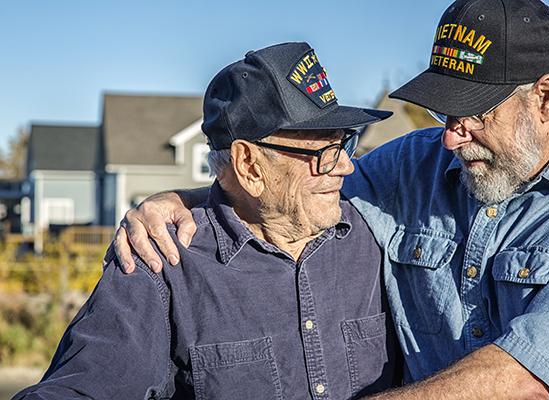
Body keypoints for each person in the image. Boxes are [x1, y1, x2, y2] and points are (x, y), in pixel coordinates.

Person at [116, 0, 549, 399]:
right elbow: (299, 186)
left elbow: (529, 377)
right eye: (441, 113)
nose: (450, 139)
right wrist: (184, 198)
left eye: (473, 114)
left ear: (545, 97)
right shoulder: (414, 165)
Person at [14, 42, 401, 400]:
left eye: (344, 143)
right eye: (324, 152)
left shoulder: (378, 230)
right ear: (249, 166)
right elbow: (83, 387)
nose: (346, 166)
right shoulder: (161, 262)